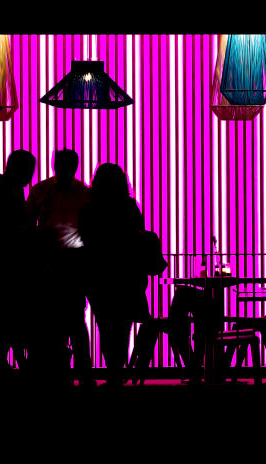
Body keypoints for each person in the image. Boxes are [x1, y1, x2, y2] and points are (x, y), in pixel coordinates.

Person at [79, 162, 166, 386]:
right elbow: (138, 235)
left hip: (99, 275)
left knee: (106, 325)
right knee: (123, 327)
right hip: (128, 275)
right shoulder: (128, 205)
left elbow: (86, 239)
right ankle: (119, 370)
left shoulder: (90, 207)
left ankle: (113, 370)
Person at [26, 149, 92, 384]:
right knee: (72, 319)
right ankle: (80, 373)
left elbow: (27, 225)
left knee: (57, 319)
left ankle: (58, 374)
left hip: (60, 261)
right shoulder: (84, 193)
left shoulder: (42, 190)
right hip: (68, 260)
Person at [0, 150, 36, 369]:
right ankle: (5, 363)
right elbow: (5, 230)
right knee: (8, 314)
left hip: (3, 260)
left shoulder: (3, 189)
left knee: (6, 314)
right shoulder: (6, 192)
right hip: (7, 262)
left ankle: (4, 363)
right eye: (29, 171)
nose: (31, 177)